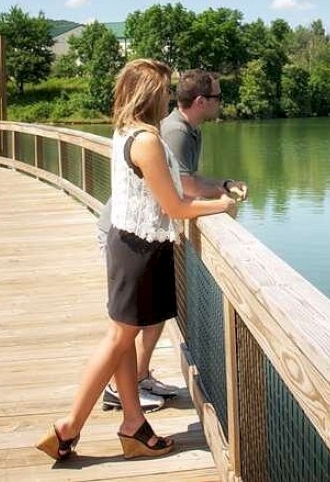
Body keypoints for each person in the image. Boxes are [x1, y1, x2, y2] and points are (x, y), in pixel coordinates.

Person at [36, 59, 236, 462]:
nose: (168, 98)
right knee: (116, 341)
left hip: (127, 243)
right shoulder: (147, 141)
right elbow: (176, 207)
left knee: (122, 340)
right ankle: (68, 427)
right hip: (139, 253)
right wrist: (222, 204)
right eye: (163, 91)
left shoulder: (125, 131)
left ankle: (133, 425)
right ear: (150, 94)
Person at [96, 68, 248, 412]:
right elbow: (183, 192)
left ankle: (139, 377)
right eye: (218, 97)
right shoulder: (171, 132)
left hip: (145, 233)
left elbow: (185, 183)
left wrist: (221, 185)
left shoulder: (187, 130)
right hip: (131, 232)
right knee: (127, 327)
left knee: (147, 319)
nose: (221, 103)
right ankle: (113, 393)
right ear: (201, 101)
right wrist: (221, 203)